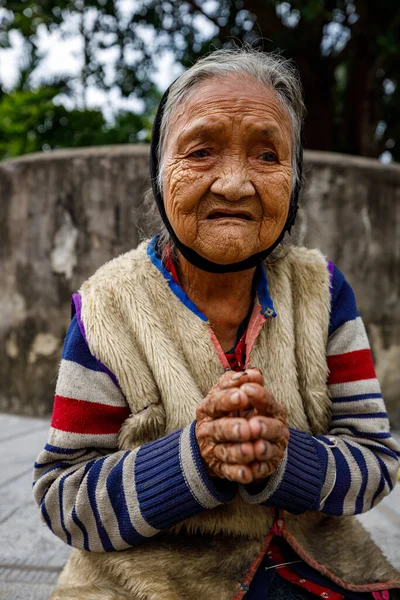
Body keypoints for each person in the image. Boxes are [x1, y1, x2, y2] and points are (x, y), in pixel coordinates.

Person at [33, 47, 400, 600]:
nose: (233, 184)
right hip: (147, 583)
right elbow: (66, 500)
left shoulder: (322, 291)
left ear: (294, 182)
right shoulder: (108, 306)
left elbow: (375, 459)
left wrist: (284, 457)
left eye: (266, 156)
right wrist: (197, 459)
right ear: (160, 175)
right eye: (200, 152)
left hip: (318, 569)